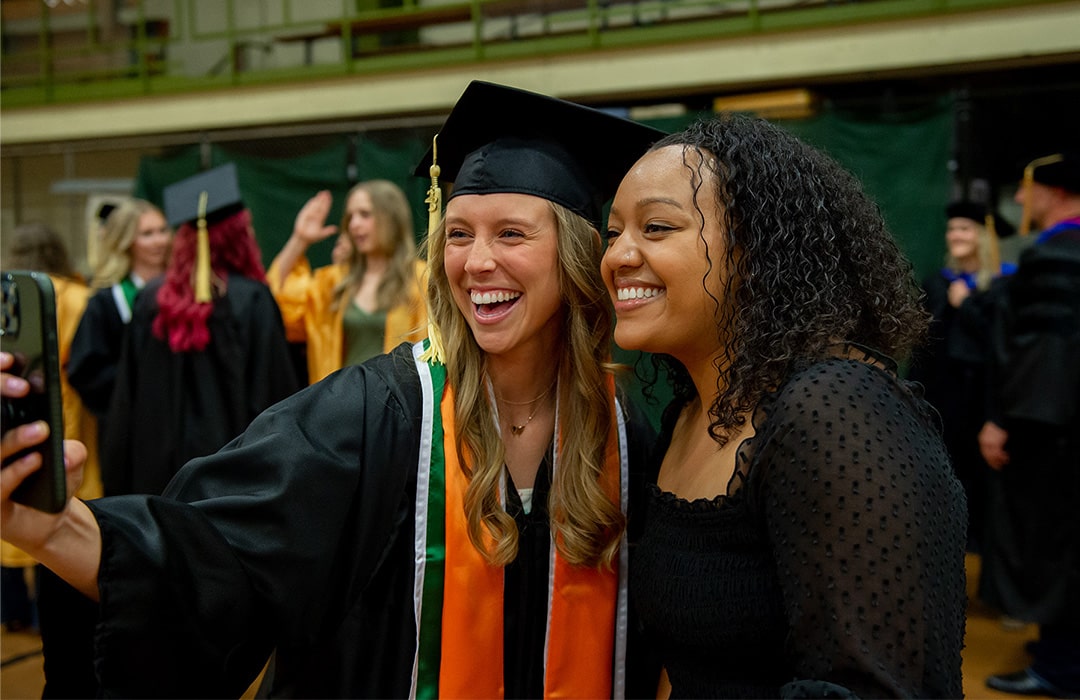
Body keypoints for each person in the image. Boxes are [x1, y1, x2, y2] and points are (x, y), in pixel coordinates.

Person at [0, 80, 663, 697]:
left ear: (572, 256)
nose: (476, 261)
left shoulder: (624, 437)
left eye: (511, 234)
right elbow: (211, 555)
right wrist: (53, 527)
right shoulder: (374, 414)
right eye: (458, 234)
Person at [603, 113, 967, 698]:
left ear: (759, 247)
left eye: (657, 227)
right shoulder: (692, 414)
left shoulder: (835, 411)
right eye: (614, 232)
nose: (619, 255)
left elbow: (875, 687)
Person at [99, 162, 300, 498]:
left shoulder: (151, 300)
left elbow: (126, 402)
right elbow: (274, 395)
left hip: (158, 482)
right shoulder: (250, 299)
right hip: (233, 476)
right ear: (239, 236)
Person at [978, 152, 1080, 698]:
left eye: (1028, 188)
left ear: (1056, 192)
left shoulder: (1058, 255)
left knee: (1053, 543)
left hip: (1053, 431)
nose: (1020, 199)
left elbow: (1045, 352)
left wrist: (1006, 421)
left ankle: (1062, 667)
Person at [3, 222, 105, 696]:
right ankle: (51, 617)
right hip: (66, 409)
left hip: (15, 410)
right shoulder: (77, 297)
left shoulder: (8, 301)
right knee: (62, 506)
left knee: (20, 500)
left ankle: (13, 611)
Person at [908, 200, 1016, 554]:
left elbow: (1001, 344)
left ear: (983, 236)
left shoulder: (1002, 286)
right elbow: (924, 341)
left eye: (965, 228)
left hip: (982, 392)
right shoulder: (938, 283)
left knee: (977, 469)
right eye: (952, 228)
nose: (955, 234)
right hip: (941, 390)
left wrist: (967, 305)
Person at [268, 179, 428, 384]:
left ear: (391, 218)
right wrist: (300, 239)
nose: (354, 225)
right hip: (342, 401)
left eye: (365, 214)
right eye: (350, 216)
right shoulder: (334, 281)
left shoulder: (421, 279)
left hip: (398, 403)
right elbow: (279, 304)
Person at [67, 198, 172, 439]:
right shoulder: (107, 302)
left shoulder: (184, 293)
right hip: (130, 428)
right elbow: (86, 372)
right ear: (126, 242)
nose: (159, 241)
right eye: (147, 234)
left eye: (163, 230)